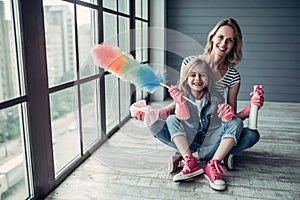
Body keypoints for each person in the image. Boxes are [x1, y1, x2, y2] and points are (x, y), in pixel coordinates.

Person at [130, 57, 243, 190]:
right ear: (186, 78)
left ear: (209, 79)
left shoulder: (216, 98)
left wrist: (227, 116)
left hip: (210, 141)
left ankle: (212, 163)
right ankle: (190, 161)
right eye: (193, 75)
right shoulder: (182, 97)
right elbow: (180, 118)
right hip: (187, 141)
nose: (197, 79)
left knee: (237, 123)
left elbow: (222, 124)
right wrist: (179, 103)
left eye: (202, 75)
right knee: (169, 120)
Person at [170, 18, 265, 172]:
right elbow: (181, 99)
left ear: (234, 45)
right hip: (189, 129)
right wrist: (160, 112)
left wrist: (248, 110)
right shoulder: (190, 62)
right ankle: (221, 154)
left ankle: (188, 157)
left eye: (230, 40)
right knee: (165, 122)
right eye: (220, 37)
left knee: (251, 135)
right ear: (212, 37)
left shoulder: (233, 76)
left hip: (214, 130)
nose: (223, 44)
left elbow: (230, 117)